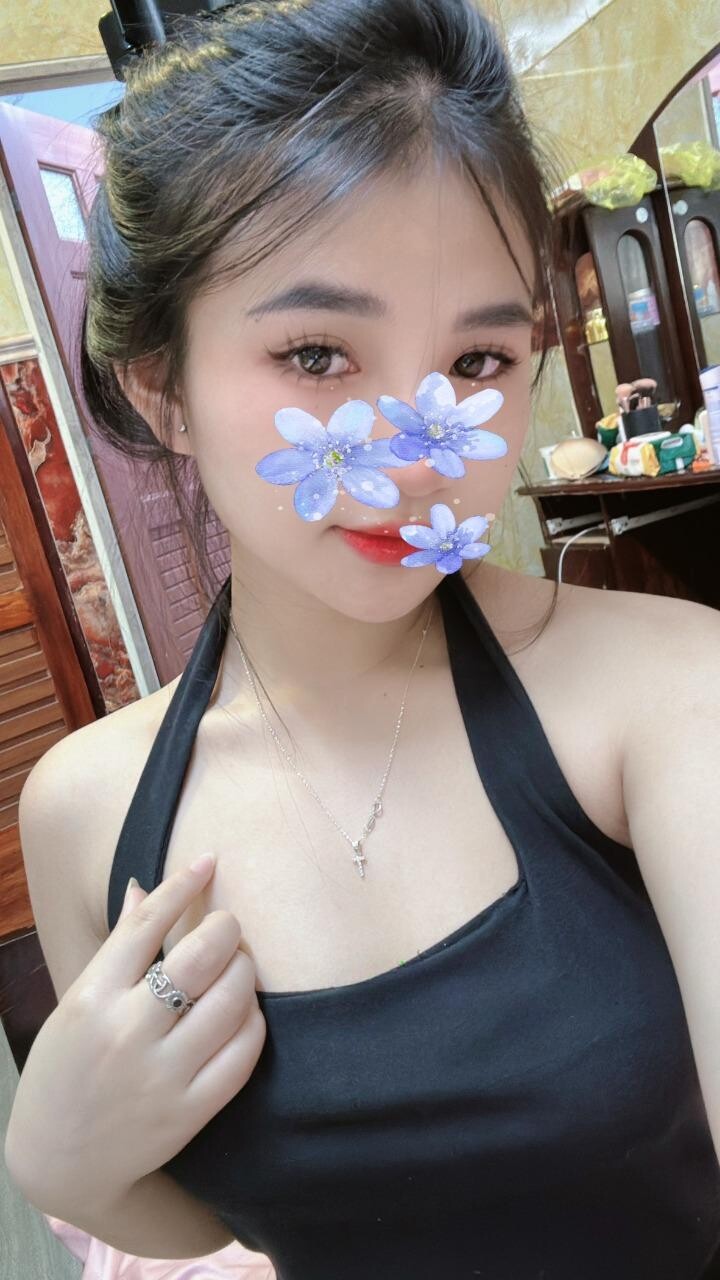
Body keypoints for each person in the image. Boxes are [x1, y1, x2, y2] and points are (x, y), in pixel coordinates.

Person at [5, 1, 720, 1276]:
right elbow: (212, 1218)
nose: (415, 458)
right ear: (162, 386)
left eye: (480, 358)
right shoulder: (89, 810)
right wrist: (65, 1161)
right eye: (318, 352)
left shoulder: (670, 694)